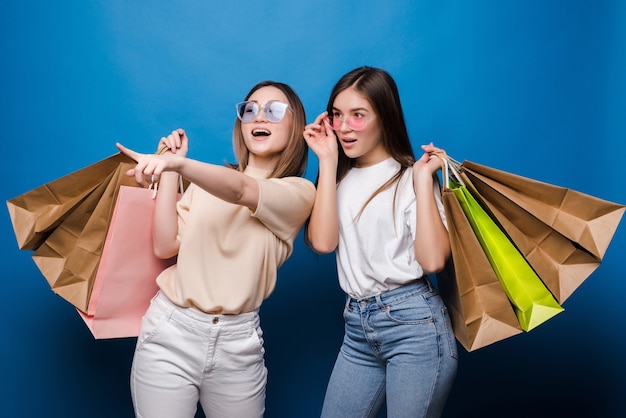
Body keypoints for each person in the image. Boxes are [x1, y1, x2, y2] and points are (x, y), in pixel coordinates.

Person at [116, 80, 315, 418]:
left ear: (296, 126)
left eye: (274, 110)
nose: (259, 118)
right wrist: (169, 168)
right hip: (171, 331)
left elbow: (241, 191)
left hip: (238, 346)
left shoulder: (299, 193)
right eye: (249, 110)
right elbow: (165, 245)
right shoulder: (206, 183)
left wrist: (178, 166)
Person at [304, 66, 457, 418]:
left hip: (415, 327)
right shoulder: (338, 178)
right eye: (337, 115)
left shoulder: (408, 178)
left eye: (358, 115)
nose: (344, 127)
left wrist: (421, 182)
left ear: (384, 117)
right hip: (357, 329)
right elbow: (323, 243)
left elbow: (433, 262)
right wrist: (327, 162)